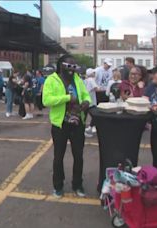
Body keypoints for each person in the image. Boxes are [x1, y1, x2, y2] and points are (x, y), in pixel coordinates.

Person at [42, 54, 91, 198]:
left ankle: (78, 185)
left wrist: (86, 102)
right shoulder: (51, 80)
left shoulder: (78, 79)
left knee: (79, 156)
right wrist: (67, 98)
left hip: (77, 123)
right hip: (60, 124)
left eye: (74, 66)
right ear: (61, 65)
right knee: (58, 157)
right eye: (69, 66)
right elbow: (46, 100)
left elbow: (85, 95)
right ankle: (58, 186)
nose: (72, 69)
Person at [84, 68, 100, 137]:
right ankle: (89, 129)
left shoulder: (85, 80)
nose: (95, 74)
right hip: (91, 102)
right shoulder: (91, 80)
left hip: (85, 101)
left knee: (84, 118)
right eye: (94, 72)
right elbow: (97, 89)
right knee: (96, 116)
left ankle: (88, 129)